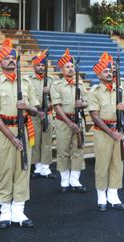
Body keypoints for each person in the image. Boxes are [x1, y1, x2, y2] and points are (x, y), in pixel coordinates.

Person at [0, 38, 40, 228]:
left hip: (23, 129)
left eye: (13, 58)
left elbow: (36, 110)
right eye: (7, 58)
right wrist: (11, 138)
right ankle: (4, 211)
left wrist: (26, 106)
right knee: (4, 170)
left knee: (23, 170)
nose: (11, 60)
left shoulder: (25, 82)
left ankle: (18, 211)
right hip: (4, 133)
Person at [88, 52, 124, 211]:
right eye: (106, 71)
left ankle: (113, 195)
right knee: (102, 165)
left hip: (118, 130)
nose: (110, 73)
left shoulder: (119, 90)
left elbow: (123, 112)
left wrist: (123, 109)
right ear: (98, 74)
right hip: (103, 132)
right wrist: (111, 133)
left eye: (111, 70)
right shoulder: (95, 91)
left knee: (117, 164)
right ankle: (101, 196)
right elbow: (95, 116)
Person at [51, 49, 89, 192]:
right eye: (67, 66)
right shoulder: (57, 85)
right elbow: (56, 106)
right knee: (63, 150)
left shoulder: (80, 84)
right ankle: (64, 180)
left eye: (72, 66)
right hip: (63, 122)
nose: (71, 68)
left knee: (78, 149)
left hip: (78, 120)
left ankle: (75, 179)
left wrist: (83, 104)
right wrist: (69, 123)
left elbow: (87, 102)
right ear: (61, 69)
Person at [29, 50, 56, 179]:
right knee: (35, 140)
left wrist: (49, 91)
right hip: (34, 113)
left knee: (46, 140)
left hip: (48, 112)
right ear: (33, 66)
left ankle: (46, 166)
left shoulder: (51, 80)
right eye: (38, 65)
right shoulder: (28, 80)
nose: (40, 67)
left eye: (43, 65)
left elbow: (56, 98)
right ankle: (37, 166)